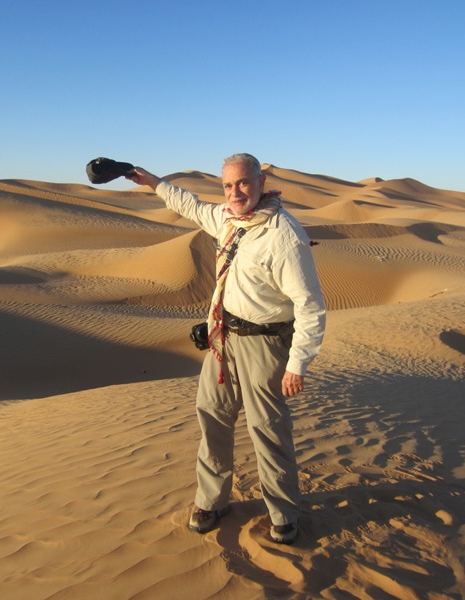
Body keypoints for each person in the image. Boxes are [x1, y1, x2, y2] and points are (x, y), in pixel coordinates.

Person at [127, 153, 326, 544]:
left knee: (267, 428)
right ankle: (212, 500)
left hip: (265, 344)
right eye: (228, 185)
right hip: (223, 338)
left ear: (261, 183)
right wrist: (153, 182)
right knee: (212, 416)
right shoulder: (229, 220)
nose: (235, 192)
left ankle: (283, 511)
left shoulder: (283, 235)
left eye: (243, 183)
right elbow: (191, 206)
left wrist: (298, 362)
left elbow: (310, 305)